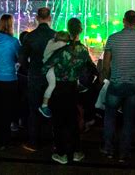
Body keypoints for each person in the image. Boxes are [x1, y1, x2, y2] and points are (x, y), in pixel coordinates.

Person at [102, 10, 135, 162]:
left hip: (116, 83)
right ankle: (124, 153)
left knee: (110, 117)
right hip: (134, 86)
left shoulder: (113, 38)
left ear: (124, 20)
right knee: (129, 119)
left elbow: (106, 63)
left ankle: (108, 149)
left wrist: (106, 77)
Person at [46, 18, 94, 165]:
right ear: (80, 30)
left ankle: (61, 154)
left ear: (68, 29)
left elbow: (45, 67)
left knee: (59, 121)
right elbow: (92, 69)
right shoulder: (83, 50)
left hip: (59, 88)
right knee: (73, 120)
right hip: (73, 88)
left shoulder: (62, 50)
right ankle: (77, 152)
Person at [19, 7, 55, 151]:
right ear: (50, 18)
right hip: (51, 78)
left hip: (34, 76)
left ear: (37, 18)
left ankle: (33, 142)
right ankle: (52, 142)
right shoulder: (56, 36)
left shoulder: (30, 36)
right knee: (50, 108)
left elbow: (22, 59)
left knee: (34, 110)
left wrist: (30, 70)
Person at [0, 14, 20, 149]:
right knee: (7, 110)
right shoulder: (13, 41)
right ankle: (5, 141)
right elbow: (19, 57)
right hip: (9, 79)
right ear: (10, 25)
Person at [38, 31, 70, 118]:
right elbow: (67, 46)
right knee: (52, 84)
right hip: (48, 66)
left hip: (50, 64)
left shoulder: (52, 41)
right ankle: (44, 105)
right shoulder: (59, 44)